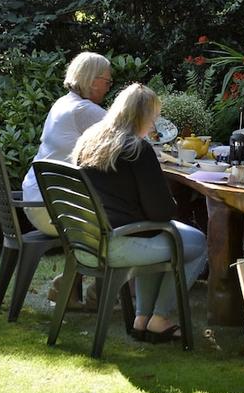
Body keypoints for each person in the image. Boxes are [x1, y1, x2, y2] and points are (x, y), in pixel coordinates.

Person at [72, 83, 208, 343]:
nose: (154, 125)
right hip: (122, 242)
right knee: (197, 243)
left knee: (162, 236)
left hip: (87, 240)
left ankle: (142, 318)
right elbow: (161, 213)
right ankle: (159, 318)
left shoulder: (89, 141)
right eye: (153, 118)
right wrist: (171, 202)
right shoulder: (138, 149)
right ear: (142, 117)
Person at [21, 52, 112, 236]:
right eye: (107, 82)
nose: (108, 88)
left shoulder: (63, 103)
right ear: (92, 80)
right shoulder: (83, 110)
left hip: (35, 201)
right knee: (122, 206)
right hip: (54, 211)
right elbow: (130, 138)